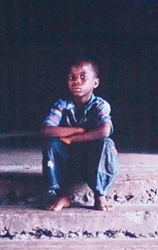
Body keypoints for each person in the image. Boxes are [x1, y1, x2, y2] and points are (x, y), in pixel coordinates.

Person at [40, 59, 119, 212]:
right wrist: (78, 130)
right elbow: (46, 130)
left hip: (91, 159)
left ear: (95, 83)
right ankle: (61, 195)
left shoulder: (100, 105)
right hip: (68, 160)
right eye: (72, 77)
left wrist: (71, 138)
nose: (77, 81)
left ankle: (99, 194)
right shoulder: (62, 104)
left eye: (83, 77)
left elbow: (104, 130)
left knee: (106, 144)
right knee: (50, 142)